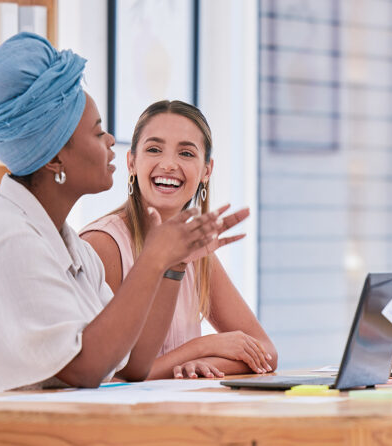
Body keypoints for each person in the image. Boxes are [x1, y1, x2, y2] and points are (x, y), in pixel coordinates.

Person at [0, 33, 248, 398]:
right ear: (55, 157)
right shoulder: (6, 238)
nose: (110, 141)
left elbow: (133, 363)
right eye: (98, 131)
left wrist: (173, 265)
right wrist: (153, 258)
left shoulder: (67, 245)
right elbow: (85, 369)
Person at [81, 100, 277, 379]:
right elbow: (111, 375)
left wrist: (198, 365)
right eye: (154, 149)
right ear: (132, 162)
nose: (169, 164)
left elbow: (267, 353)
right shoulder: (103, 245)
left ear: (206, 171)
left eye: (186, 153)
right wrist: (199, 348)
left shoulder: (196, 251)